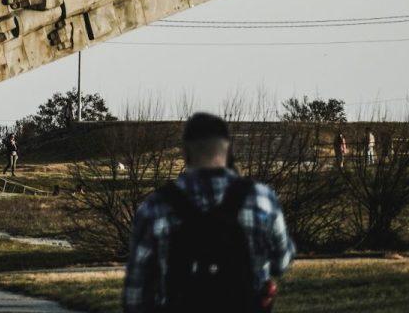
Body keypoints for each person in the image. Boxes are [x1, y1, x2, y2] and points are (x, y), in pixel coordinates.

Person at [123, 112, 294, 312]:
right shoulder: (262, 199)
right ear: (229, 152)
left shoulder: (156, 207)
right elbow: (281, 262)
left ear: (185, 153)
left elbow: (136, 291)